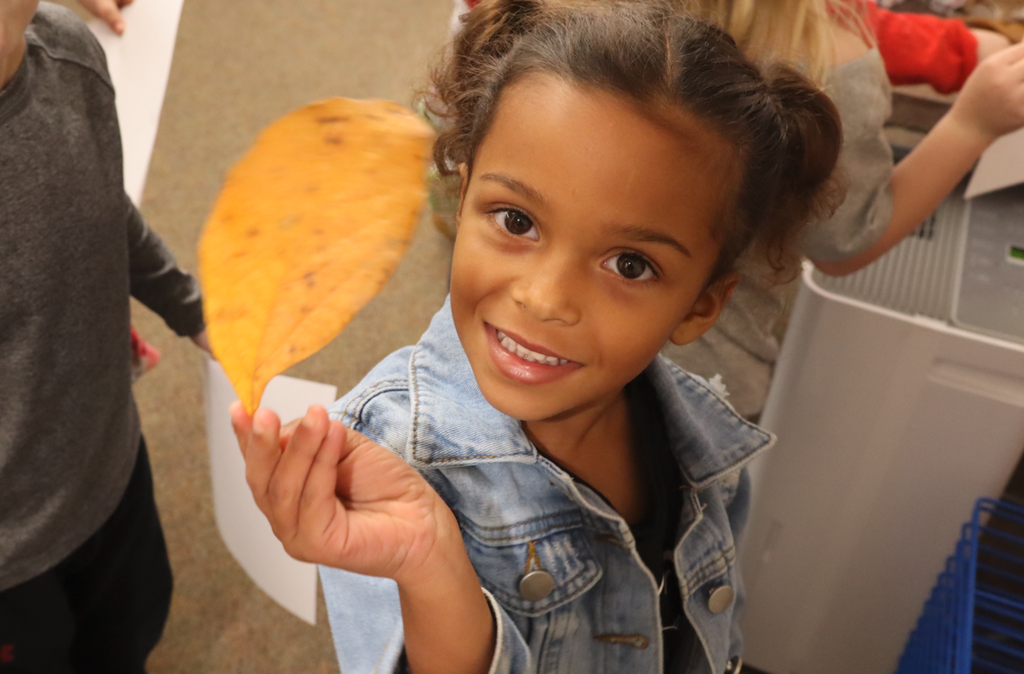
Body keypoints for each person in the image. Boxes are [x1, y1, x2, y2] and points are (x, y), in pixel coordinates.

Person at [231, 1, 845, 672]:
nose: (544, 299)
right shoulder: (387, 466)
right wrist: (431, 565)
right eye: (516, 221)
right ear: (462, 202)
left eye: (630, 265)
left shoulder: (704, 442)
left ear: (700, 305)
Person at [655, 0, 1024, 418]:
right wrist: (972, 124)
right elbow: (845, 242)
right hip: (701, 400)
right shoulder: (834, 69)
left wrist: (960, 48)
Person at [0, 2, 208, 670]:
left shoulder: (65, 52)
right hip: (9, 557)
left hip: (109, 463)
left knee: (127, 632)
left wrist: (191, 309)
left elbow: (98, 203)